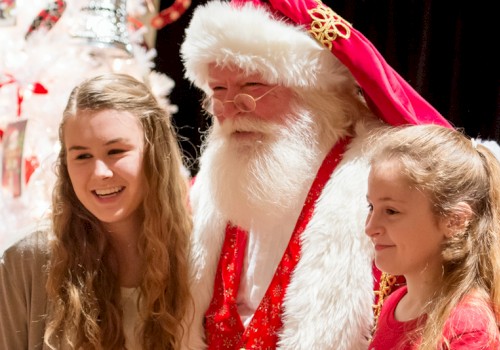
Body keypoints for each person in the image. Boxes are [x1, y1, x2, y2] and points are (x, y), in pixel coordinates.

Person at [180, 0, 451, 349]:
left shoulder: (379, 188)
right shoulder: (206, 187)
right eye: (218, 90)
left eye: (252, 86)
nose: (231, 108)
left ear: (311, 91)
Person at [0, 73, 192, 350]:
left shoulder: (199, 256)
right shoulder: (27, 260)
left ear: (154, 153)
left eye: (115, 151)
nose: (99, 173)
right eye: (82, 156)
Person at [366, 124, 500, 349]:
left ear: (454, 221)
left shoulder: (469, 328)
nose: (370, 228)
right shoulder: (396, 303)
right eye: (371, 206)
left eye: (391, 211)